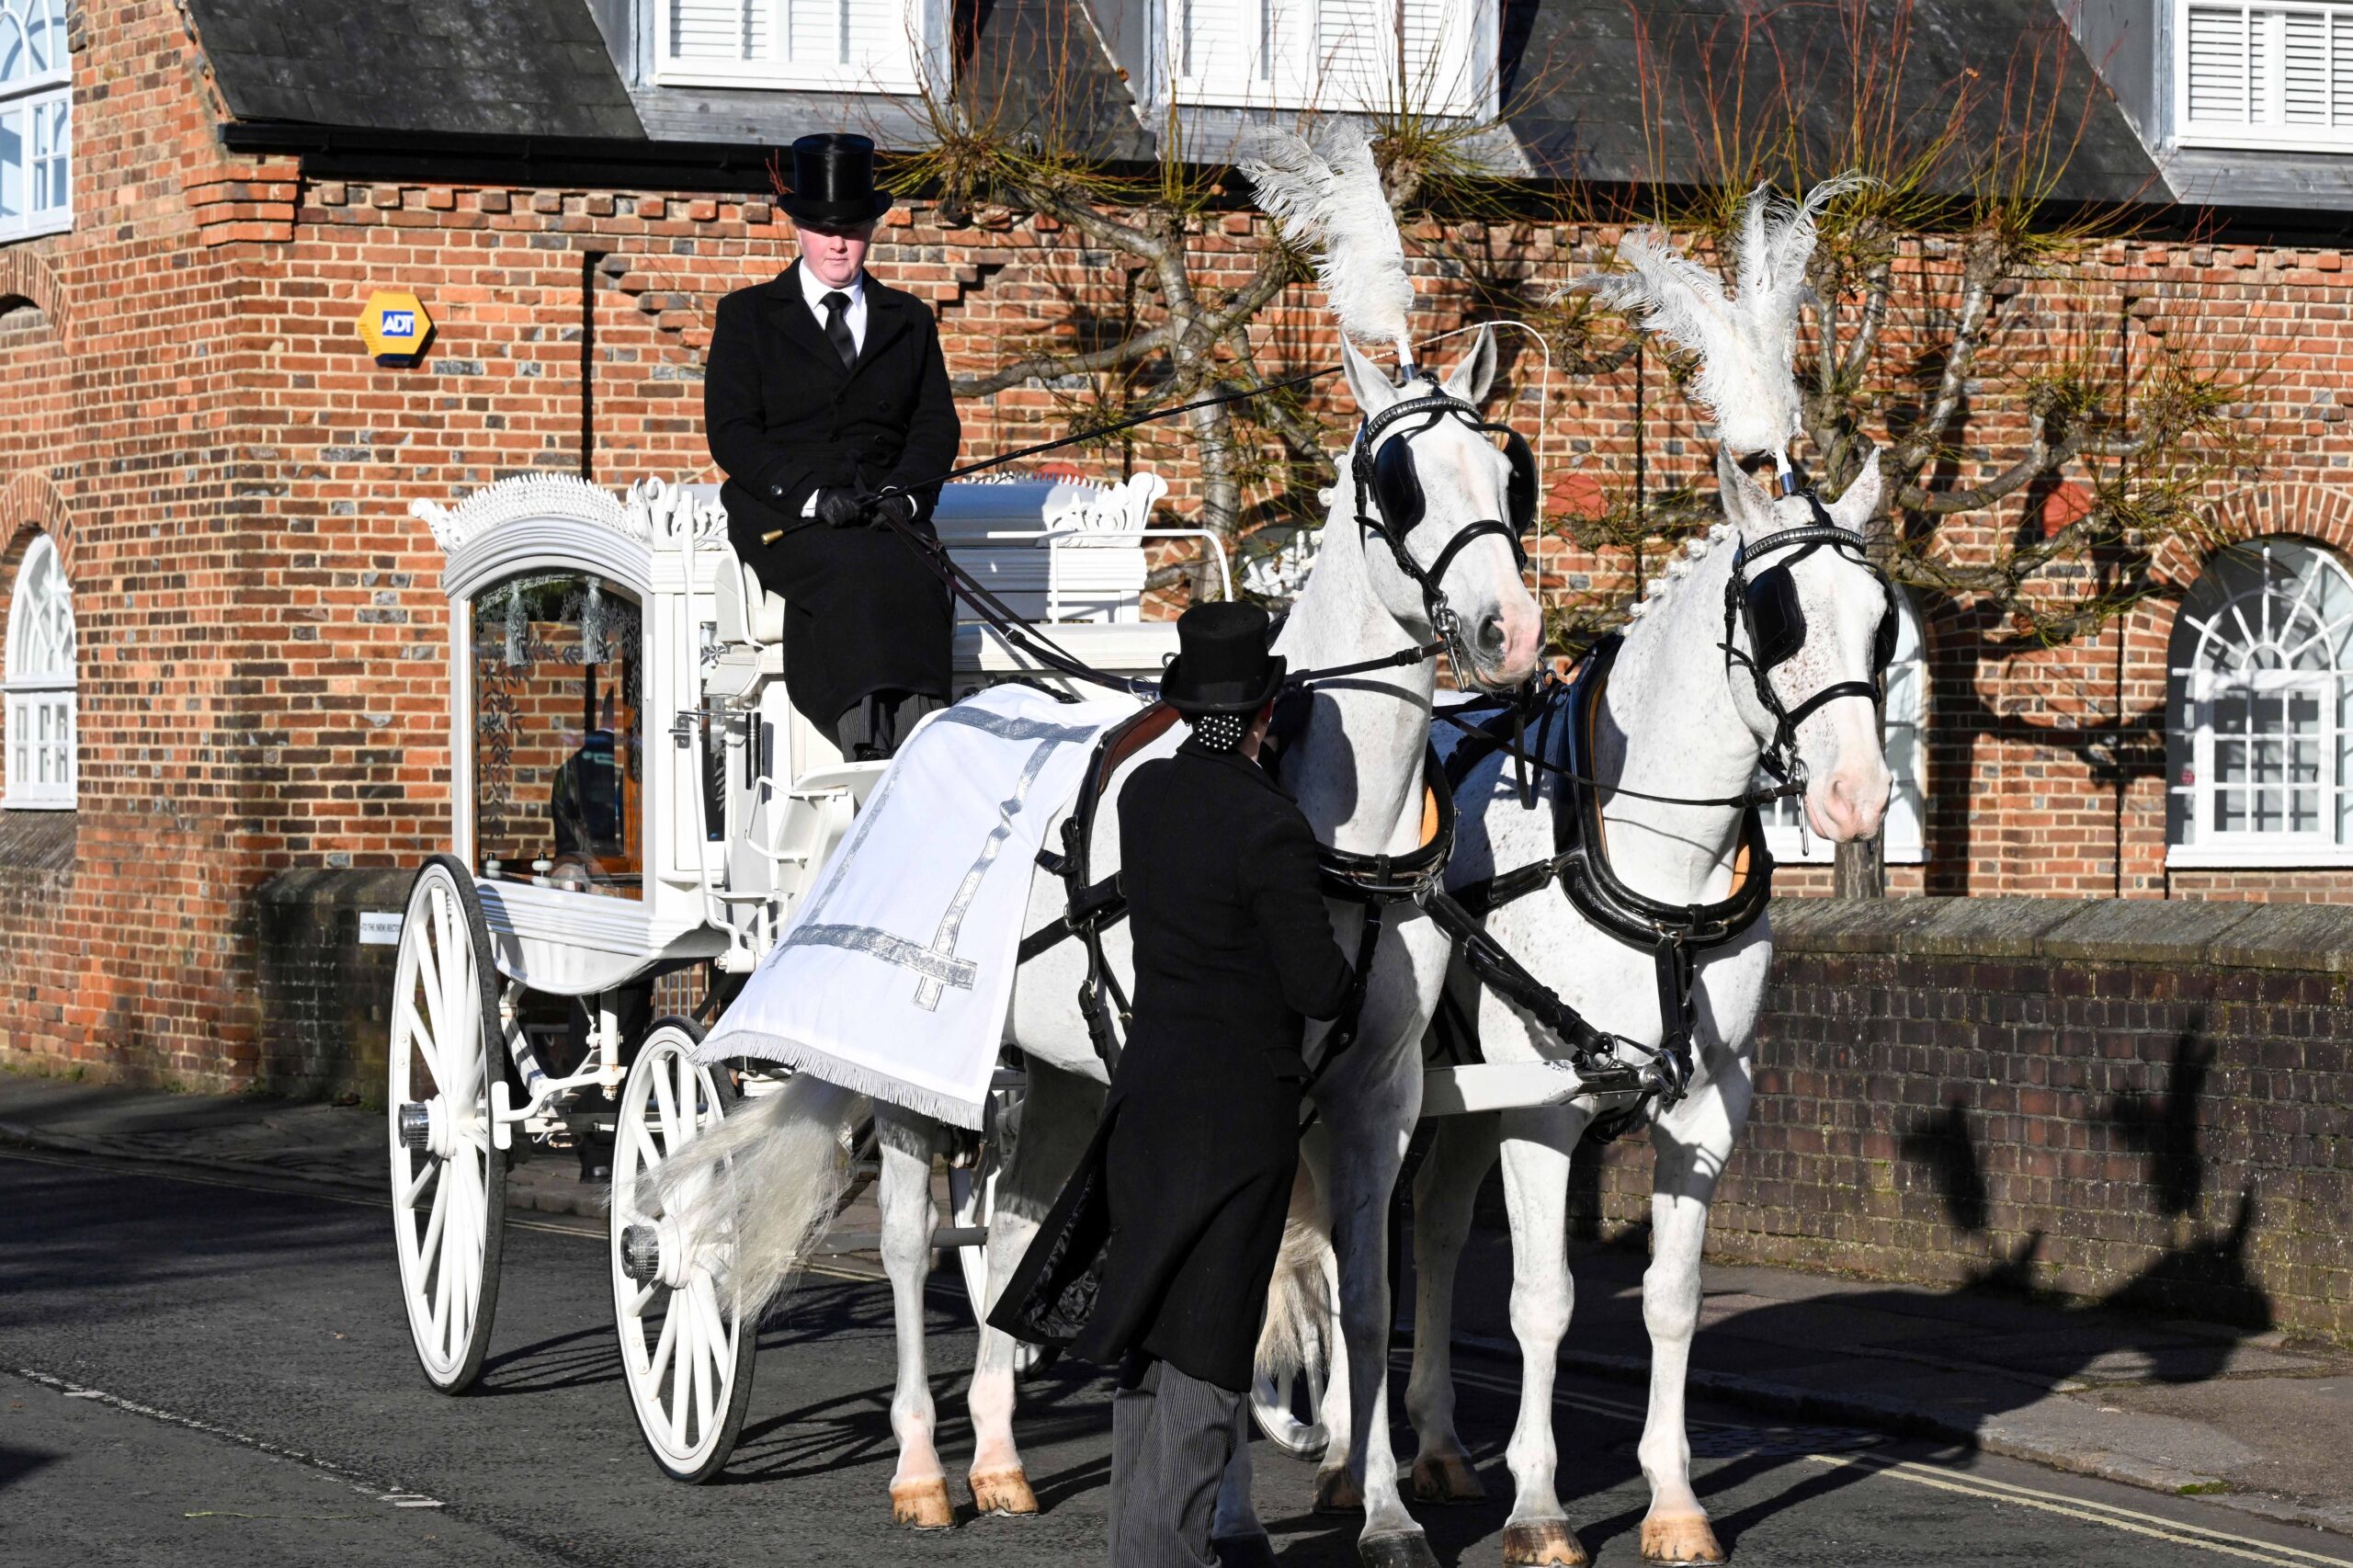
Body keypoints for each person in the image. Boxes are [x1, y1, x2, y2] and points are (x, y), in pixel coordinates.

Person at [992, 602, 1356, 1568]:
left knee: (1151, 1344)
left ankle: (1137, 1551)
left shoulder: (1145, 798)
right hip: (1238, 1125)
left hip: (1147, 1101)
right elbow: (1317, 983)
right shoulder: (1271, 825)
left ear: (1186, 706)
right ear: (1268, 712)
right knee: (1208, 1354)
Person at [704, 131, 961, 760]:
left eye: (852, 226)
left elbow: (936, 427)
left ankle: (921, 739)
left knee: (917, 568)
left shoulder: (909, 318)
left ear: (872, 229)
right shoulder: (748, 317)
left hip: (883, 508)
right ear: (798, 230)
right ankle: (863, 743)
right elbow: (732, 432)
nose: (838, 242)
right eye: (823, 228)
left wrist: (904, 497)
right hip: (784, 513)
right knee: (854, 568)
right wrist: (811, 498)